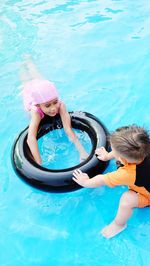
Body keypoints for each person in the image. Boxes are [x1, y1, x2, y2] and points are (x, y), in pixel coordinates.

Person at [73, 125, 150, 238]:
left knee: (127, 199)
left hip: (148, 196)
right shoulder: (144, 147)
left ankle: (119, 224)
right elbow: (123, 152)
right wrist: (107, 156)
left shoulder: (127, 174)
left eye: (113, 152)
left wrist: (86, 182)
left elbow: (102, 179)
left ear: (123, 159)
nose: (112, 152)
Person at [20, 55, 88, 165]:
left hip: (43, 89)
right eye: (47, 106)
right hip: (29, 92)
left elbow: (68, 128)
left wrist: (82, 151)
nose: (53, 108)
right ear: (39, 106)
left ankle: (29, 61)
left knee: (37, 74)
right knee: (25, 81)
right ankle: (22, 65)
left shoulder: (60, 105)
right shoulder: (36, 112)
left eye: (55, 102)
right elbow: (30, 138)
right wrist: (39, 163)